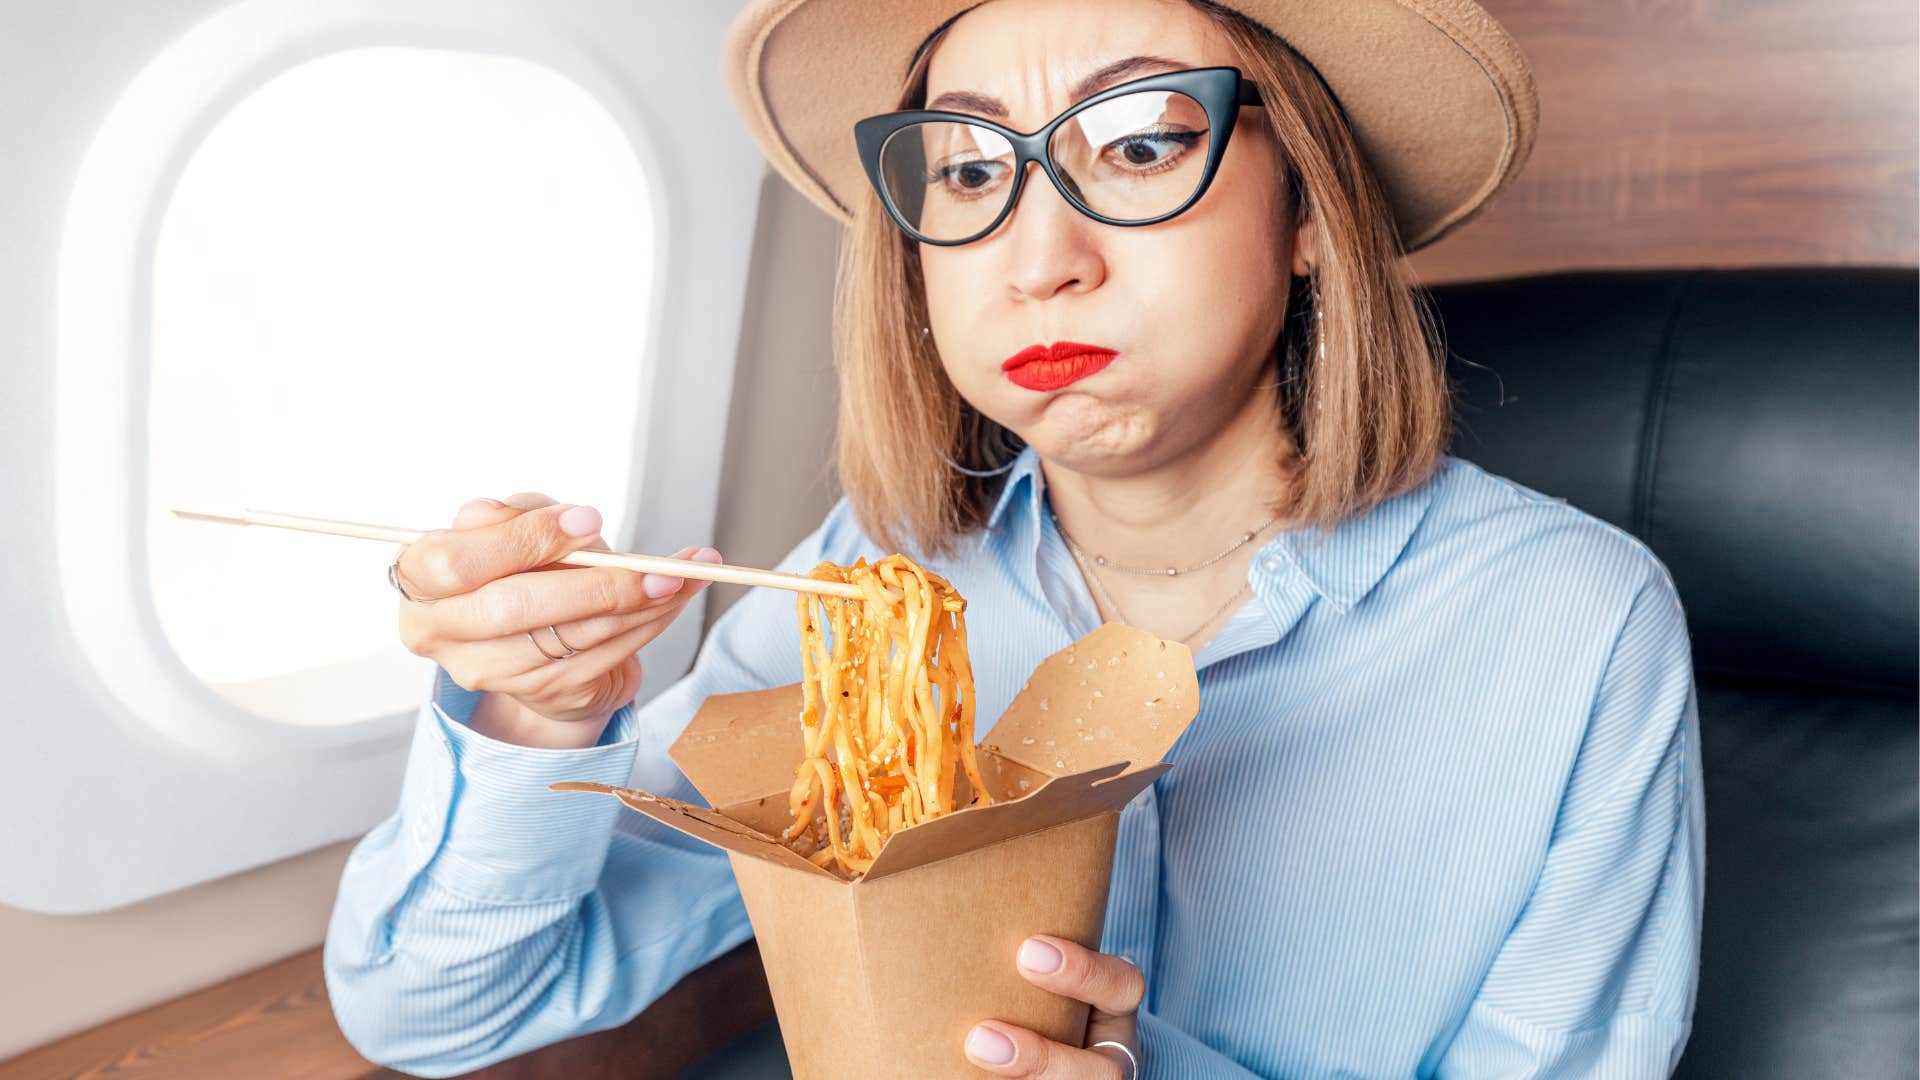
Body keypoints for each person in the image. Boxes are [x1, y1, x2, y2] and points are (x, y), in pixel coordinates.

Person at [324, 0, 1705, 1076]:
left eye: (1146, 143)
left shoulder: (1574, 621)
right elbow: (448, 1009)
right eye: (970, 168)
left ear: (1306, 212)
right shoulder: (871, 580)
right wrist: (538, 713)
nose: (1038, 258)